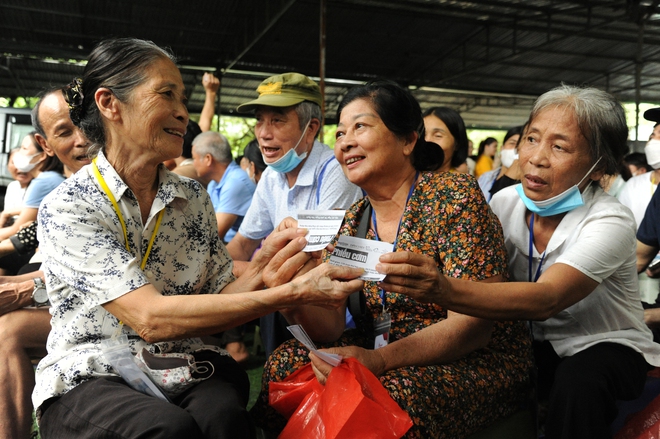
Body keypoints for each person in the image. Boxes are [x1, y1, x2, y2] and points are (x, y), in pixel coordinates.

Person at [32, 38, 364, 439]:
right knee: (167, 428)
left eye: (183, 98)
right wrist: (287, 293)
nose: (182, 113)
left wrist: (263, 266)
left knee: (221, 418)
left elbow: (223, 295)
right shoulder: (69, 204)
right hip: (91, 370)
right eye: (166, 94)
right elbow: (149, 318)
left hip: (182, 363)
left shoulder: (191, 198)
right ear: (109, 104)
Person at [251, 81, 534, 439]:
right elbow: (330, 327)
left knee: (389, 391)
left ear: (408, 140)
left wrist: (380, 361)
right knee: (286, 362)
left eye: (360, 127)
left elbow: (474, 327)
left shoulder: (452, 197)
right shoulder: (353, 221)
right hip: (381, 347)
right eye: (339, 133)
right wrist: (291, 294)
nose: (345, 141)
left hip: (472, 358)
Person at [382, 85, 660, 439]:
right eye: (531, 139)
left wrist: (441, 288)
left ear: (599, 166)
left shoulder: (610, 221)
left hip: (602, 343)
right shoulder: (503, 204)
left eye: (559, 147)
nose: (536, 157)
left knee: (579, 384)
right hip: (527, 344)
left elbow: (547, 299)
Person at [225, 72, 362, 355]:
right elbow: (242, 243)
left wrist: (244, 270)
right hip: (288, 287)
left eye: (277, 120)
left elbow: (314, 260)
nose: (264, 132)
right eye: (260, 120)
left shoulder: (334, 170)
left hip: (333, 305)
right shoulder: (272, 176)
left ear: (311, 128)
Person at [0, 85, 91, 439]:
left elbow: (94, 276)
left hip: (106, 314)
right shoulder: (60, 188)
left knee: (8, 330)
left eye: (85, 124)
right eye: (65, 131)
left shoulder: (101, 183)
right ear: (46, 144)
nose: (82, 139)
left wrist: (24, 291)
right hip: (53, 289)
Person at [0, 132, 64, 274]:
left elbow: (16, 230)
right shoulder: (50, 178)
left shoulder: (42, 182)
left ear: (42, 155)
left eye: (24, 149)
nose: (19, 154)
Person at [191, 131, 255, 242]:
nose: (193, 164)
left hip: (239, 250)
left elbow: (213, 234)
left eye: (194, 158)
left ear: (208, 159)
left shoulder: (236, 182)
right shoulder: (214, 184)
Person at [478, 125, 524, 202]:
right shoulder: (486, 177)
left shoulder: (526, 185)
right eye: (512, 143)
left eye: (521, 145)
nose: (516, 149)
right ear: (502, 148)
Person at [422, 106, 469, 173]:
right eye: (423, 134)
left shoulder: (460, 182)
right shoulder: (408, 179)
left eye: (438, 136)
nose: (427, 140)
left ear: (457, 144)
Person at [0, 148, 33, 226]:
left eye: (24, 162)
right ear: (7, 165)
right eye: (15, 162)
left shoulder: (40, 186)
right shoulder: (13, 186)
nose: (21, 167)